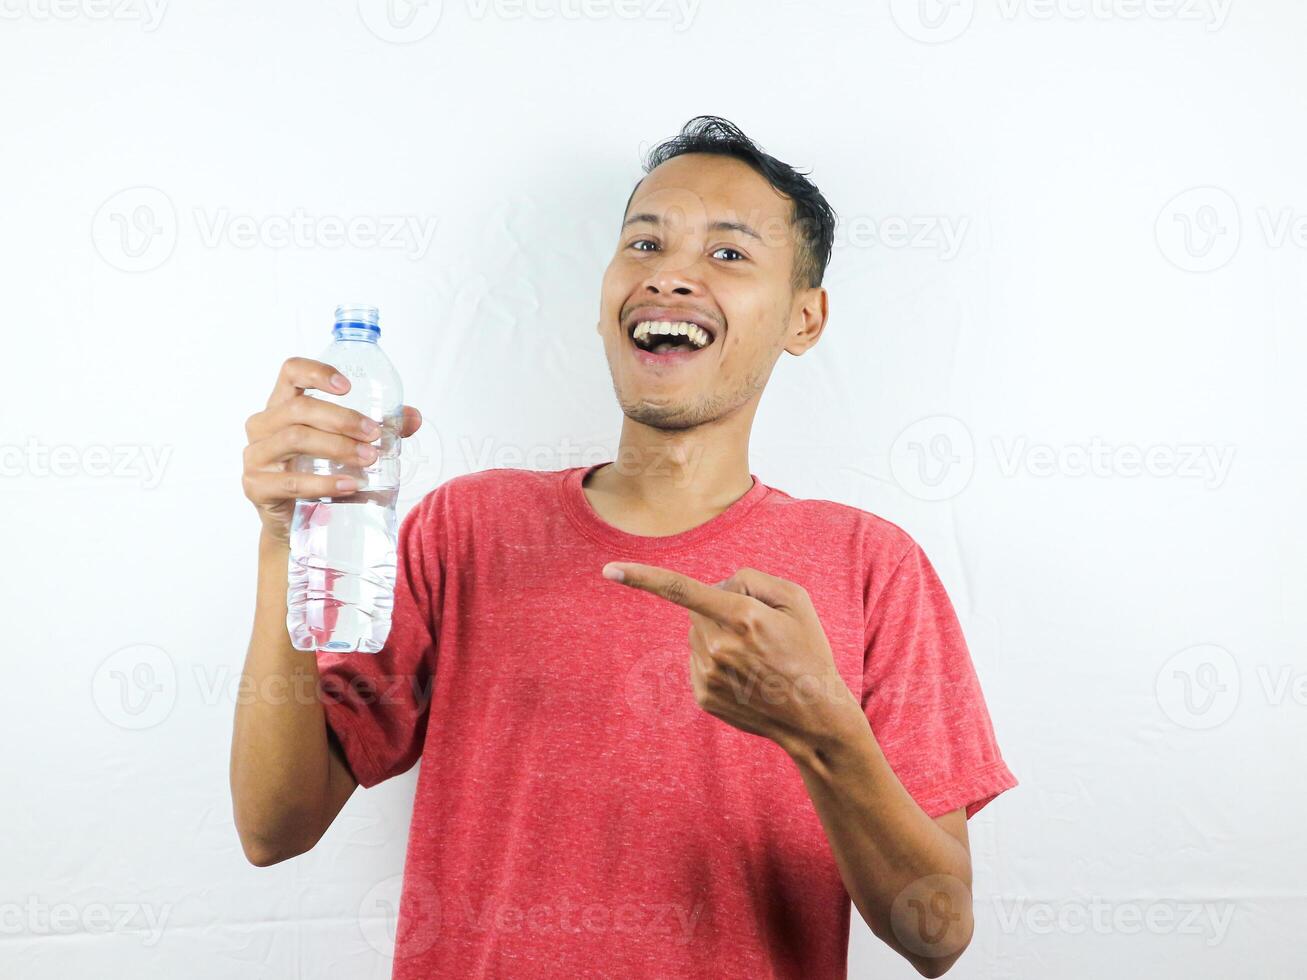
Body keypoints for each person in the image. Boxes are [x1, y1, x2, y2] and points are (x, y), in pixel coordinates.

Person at [231, 115, 1017, 979]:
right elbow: (275, 828)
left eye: (727, 254)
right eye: (644, 243)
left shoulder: (872, 567)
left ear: (804, 317)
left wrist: (824, 733)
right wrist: (284, 543)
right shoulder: (466, 529)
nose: (671, 274)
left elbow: (936, 933)